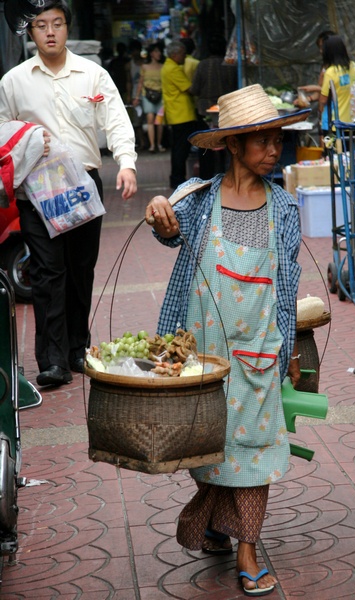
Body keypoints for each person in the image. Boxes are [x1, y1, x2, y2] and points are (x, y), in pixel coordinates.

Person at [145, 84, 310, 596]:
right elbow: (168, 231)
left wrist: (290, 354)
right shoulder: (200, 200)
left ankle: (247, 549)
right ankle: (215, 518)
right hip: (204, 356)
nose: (273, 149)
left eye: (277, 139)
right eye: (261, 140)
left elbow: (286, 289)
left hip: (259, 354)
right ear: (233, 145)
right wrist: (158, 208)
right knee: (210, 448)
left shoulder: (282, 208)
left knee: (254, 452)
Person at [0, 0, 137, 387]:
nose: (49, 31)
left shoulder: (92, 74)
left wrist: (126, 164)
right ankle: (53, 359)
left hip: (83, 187)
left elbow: (116, 121)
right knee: (47, 273)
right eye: (41, 25)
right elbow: (1, 129)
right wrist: (26, 141)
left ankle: (79, 349)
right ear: (31, 32)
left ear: (66, 28)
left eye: (57, 23)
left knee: (80, 270)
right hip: (37, 192)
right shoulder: (14, 81)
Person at [189, 34, 237, 178]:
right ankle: (228, 173)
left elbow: (195, 89)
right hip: (227, 110)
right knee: (228, 143)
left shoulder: (202, 65)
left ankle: (207, 176)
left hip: (205, 111)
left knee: (205, 144)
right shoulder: (230, 65)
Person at [161, 40, 198, 190]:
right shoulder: (173, 69)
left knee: (179, 148)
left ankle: (177, 178)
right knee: (180, 150)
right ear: (175, 54)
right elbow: (189, 88)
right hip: (181, 114)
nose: (185, 57)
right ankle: (177, 179)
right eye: (183, 54)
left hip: (177, 113)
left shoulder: (169, 66)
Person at [318, 34, 355, 134]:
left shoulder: (330, 72)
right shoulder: (353, 66)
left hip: (336, 123)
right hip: (353, 121)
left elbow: (323, 99)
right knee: (350, 149)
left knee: (335, 149)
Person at [133, 42, 165, 153]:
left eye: (159, 51)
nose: (159, 53)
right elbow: (140, 83)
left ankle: (159, 144)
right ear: (151, 53)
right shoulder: (144, 67)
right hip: (147, 96)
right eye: (156, 51)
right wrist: (137, 97)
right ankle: (153, 145)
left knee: (159, 121)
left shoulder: (163, 67)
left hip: (161, 95)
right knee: (150, 119)